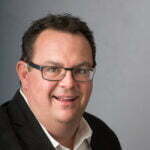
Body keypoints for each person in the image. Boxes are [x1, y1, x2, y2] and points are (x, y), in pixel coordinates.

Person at [0, 13, 121, 150]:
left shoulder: (104, 136)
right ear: (24, 74)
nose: (69, 83)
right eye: (53, 69)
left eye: (81, 70)